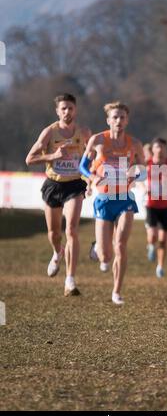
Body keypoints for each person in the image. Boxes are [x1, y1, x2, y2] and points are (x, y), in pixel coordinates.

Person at [79, 101, 145, 305]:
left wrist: (135, 176)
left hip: (124, 198)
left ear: (127, 120)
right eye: (115, 117)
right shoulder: (98, 140)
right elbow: (82, 166)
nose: (118, 121)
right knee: (106, 256)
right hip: (104, 198)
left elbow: (142, 169)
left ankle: (117, 291)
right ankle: (99, 248)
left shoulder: (134, 144)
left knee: (121, 245)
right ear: (108, 120)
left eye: (122, 117)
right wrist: (92, 178)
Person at [25, 93, 91, 296]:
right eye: (63, 108)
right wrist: (53, 155)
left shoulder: (85, 132)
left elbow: (93, 157)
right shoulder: (49, 133)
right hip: (53, 185)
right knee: (54, 234)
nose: (67, 112)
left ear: (76, 110)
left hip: (74, 186)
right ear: (57, 111)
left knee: (71, 230)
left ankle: (70, 280)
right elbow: (30, 159)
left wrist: (90, 179)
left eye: (70, 108)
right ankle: (57, 251)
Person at [145, 138, 167, 278]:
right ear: (153, 149)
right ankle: (150, 246)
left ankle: (160, 266)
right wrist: (144, 186)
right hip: (151, 205)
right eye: (158, 146)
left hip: (165, 206)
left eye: (163, 146)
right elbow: (139, 179)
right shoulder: (147, 163)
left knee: (163, 240)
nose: (160, 149)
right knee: (153, 236)